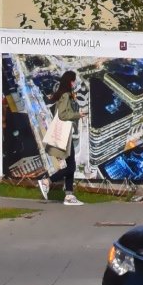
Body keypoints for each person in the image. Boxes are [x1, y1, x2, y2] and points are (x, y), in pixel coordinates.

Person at [39, 70, 83, 205]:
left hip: (66, 134)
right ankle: (47, 181)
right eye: (73, 80)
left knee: (71, 165)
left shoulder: (64, 94)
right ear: (70, 81)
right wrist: (78, 115)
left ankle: (69, 196)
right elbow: (62, 115)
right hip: (65, 136)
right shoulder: (65, 95)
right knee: (71, 167)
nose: (75, 83)